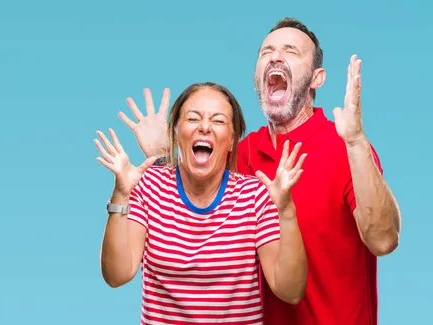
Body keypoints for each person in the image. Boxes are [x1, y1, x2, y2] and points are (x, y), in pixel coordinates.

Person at [117, 18, 401, 325]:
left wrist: (356, 141)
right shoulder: (240, 154)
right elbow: (183, 207)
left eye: (290, 51)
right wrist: (164, 154)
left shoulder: (343, 147)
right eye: (266, 51)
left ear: (317, 78)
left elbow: (383, 240)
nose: (275, 56)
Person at [95, 82, 308, 325]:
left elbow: (290, 291)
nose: (205, 127)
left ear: (231, 141)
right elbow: (116, 276)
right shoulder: (149, 186)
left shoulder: (254, 196)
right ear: (175, 133)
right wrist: (121, 194)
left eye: (218, 121)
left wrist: (287, 212)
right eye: (193, 118)